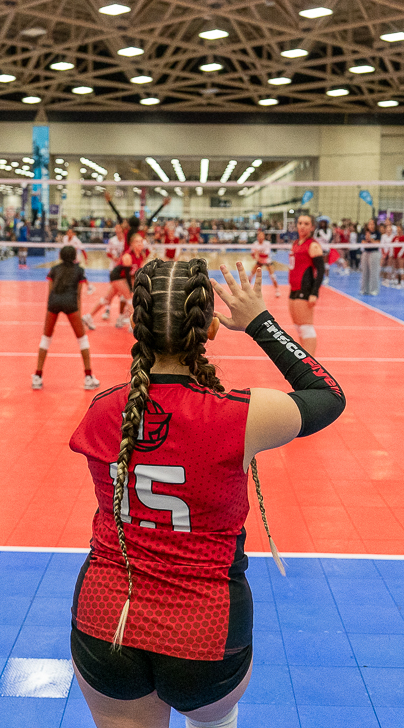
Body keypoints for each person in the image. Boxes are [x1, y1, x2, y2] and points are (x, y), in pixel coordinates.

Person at [67, 259, 345, 728]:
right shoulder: (240, 416)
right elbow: (327, 395)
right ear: (210, 328)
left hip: (109, 619)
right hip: (206, 631)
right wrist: (260, 322)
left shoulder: (101, 410)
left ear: (137, 325)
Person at [34, 245, 99, 391]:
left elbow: (50, 291)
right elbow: (78, 296)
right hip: (71, 304)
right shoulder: (79, 271)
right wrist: (78, 315)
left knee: (46, 339)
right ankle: (88, 377)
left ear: (60, 255)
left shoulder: (54, 269)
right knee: (82, 340)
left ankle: (37, 376)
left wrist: (49, 310)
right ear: (75, 256)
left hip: (53, 303)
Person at [288, 214, 326, 355]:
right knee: (298, 327)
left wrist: (314, 293)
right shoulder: (296, 243)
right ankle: (305, 357)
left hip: (305, 290)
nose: (302, 226)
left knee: (306, 327)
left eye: (306, 223)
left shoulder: (313, 245)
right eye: (300, 223)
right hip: (293, 289)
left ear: (312, 227)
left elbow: (320, 270)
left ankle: (311, 364)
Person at [359, 218, 380, 296]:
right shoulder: (364, 232)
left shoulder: (378, 233)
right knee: (364, 272)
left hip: (374, 253)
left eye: (372, 224)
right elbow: (362, 242)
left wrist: (370, 239)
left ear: (375, 225)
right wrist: (368, 239)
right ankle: (364, 289)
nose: (371, 225)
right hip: (365, 252)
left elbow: (378, 243)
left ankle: (373, 290)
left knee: (374, 272)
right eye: (369, 223)